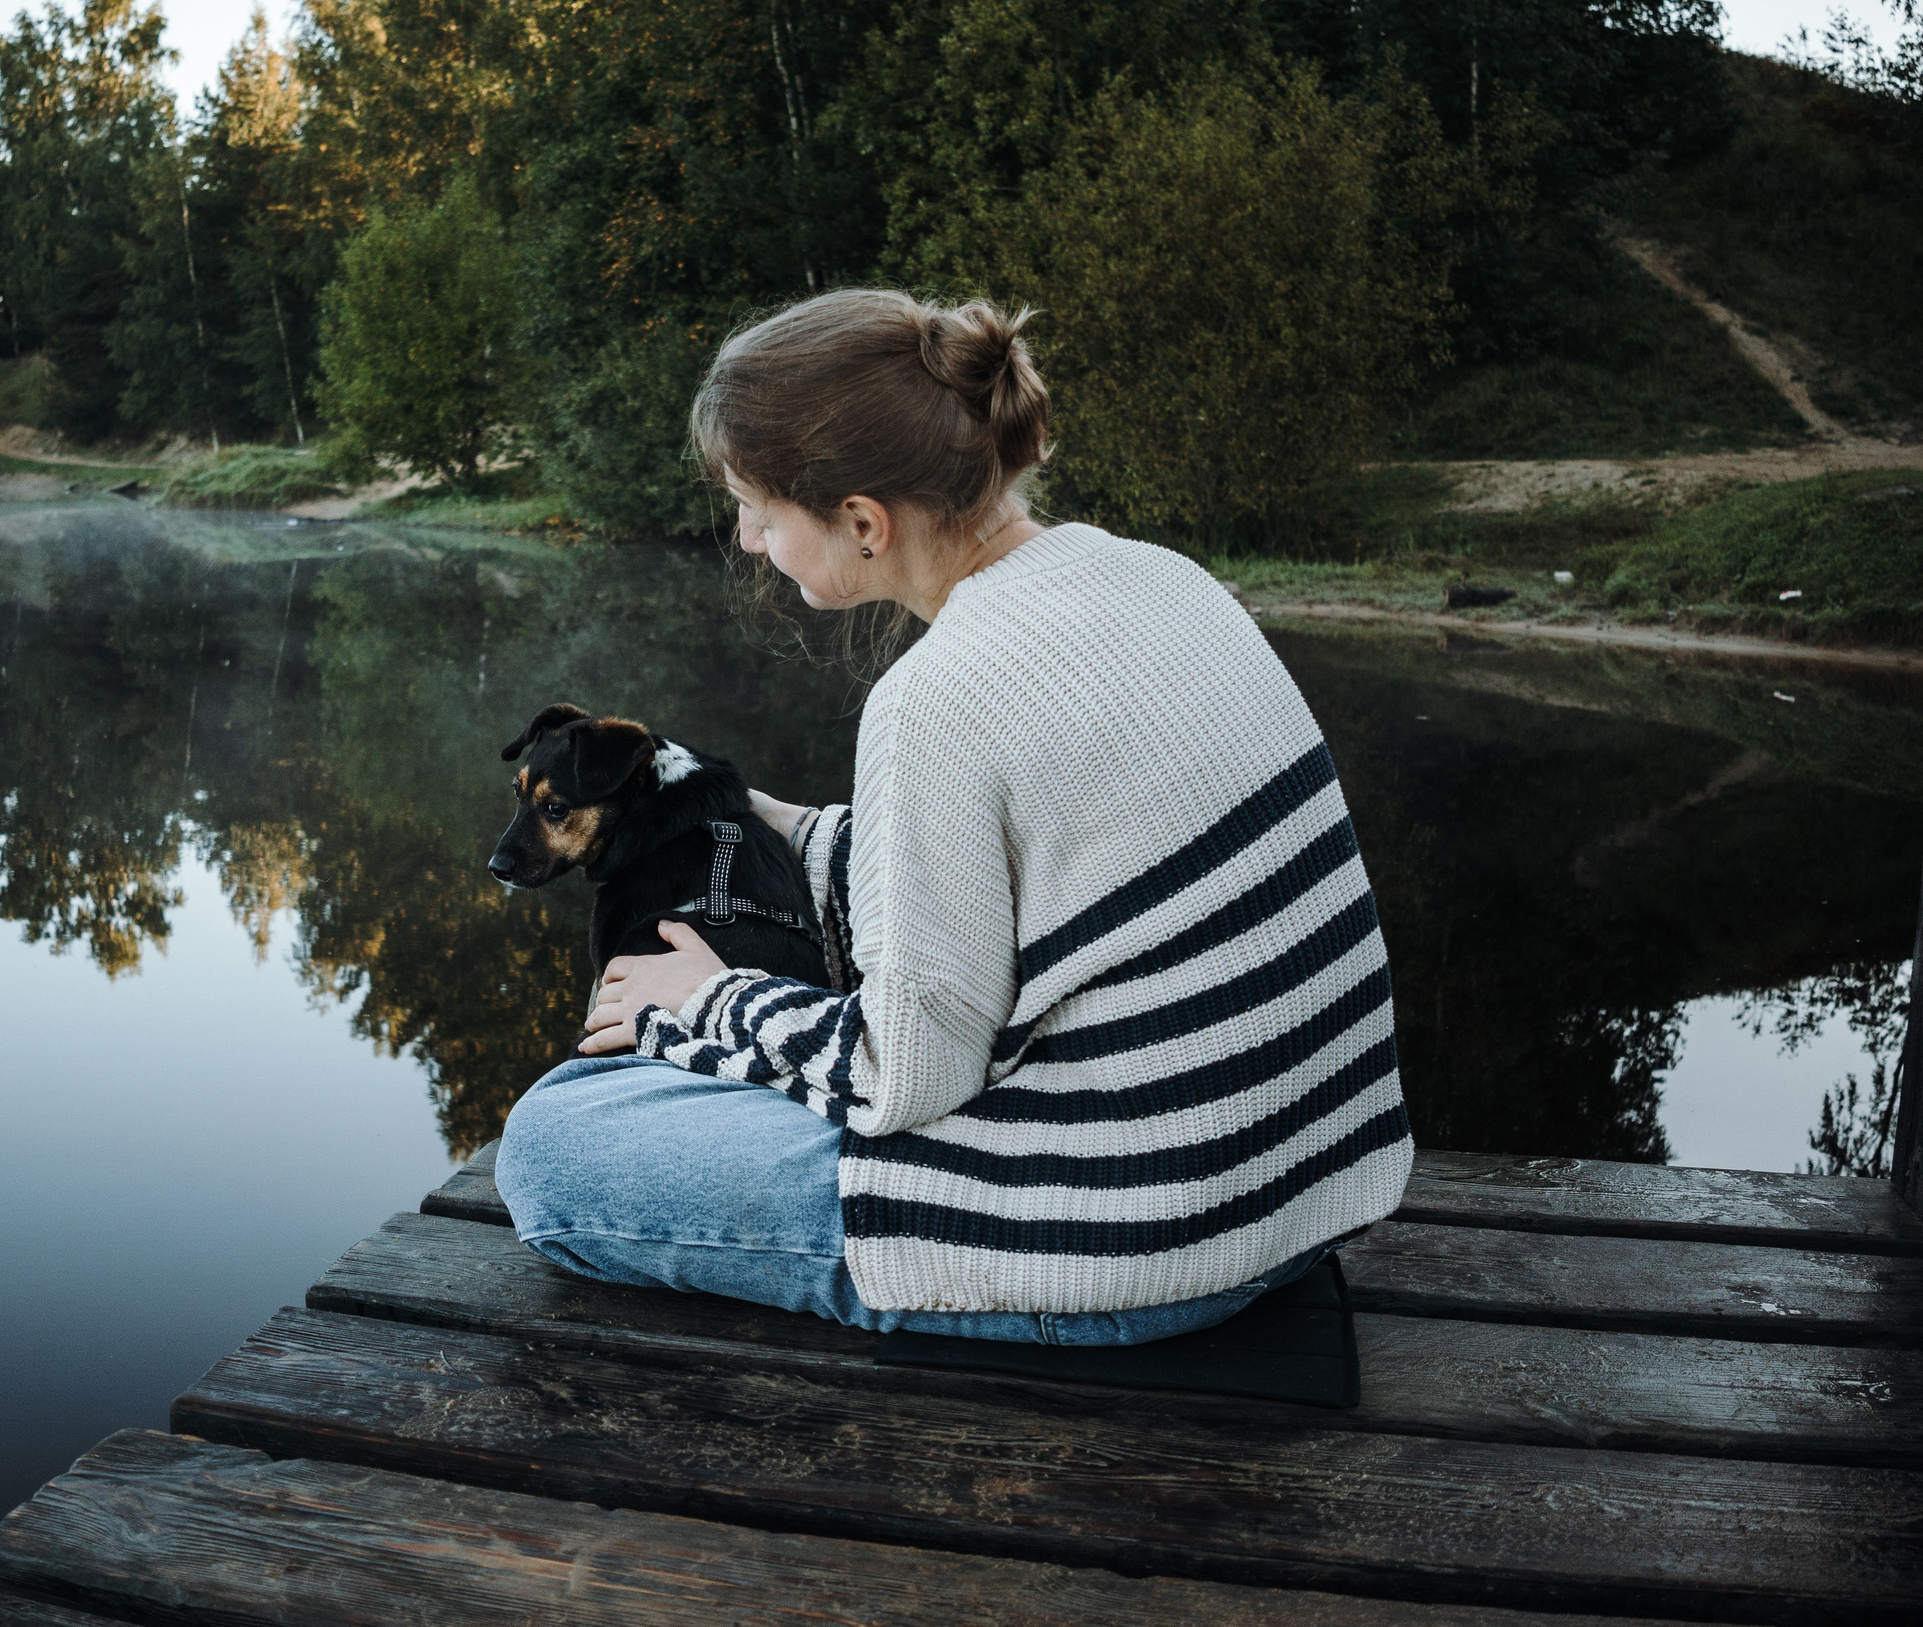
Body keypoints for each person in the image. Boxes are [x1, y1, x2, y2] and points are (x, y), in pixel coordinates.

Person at [495, 289, 1413, 1346]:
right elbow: (998, 883)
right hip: (1292, 1192)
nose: (747, 539)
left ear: (860, 521)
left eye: (757, 508)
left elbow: (904, 1078)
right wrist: (737, 808)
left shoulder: (938, 699)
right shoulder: (1159, 577)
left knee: (556, 1146)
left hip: (1138, 1245)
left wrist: (706, 1002)